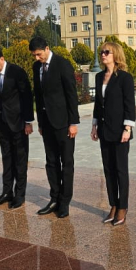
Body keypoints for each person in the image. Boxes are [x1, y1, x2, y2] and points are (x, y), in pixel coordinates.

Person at [30, 36, 79, 219]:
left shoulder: (62, 64)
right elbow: (39, 96)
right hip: (47, 124)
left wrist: (73, 123)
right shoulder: (37, 67)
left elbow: (71, 95)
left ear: (47, 48)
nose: (37, 58)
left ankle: (65, 202)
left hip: (64, 123)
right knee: (51, 162)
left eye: (39, 54)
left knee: (66, 163)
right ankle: (54, 198)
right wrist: (41, 123)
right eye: (34, 55)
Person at [90, 41, 136, 226]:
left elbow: (129, 105)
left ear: (115, 54)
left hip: (120, 132)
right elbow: (97, 104)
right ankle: (113, 205)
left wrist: (127, 128)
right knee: (108, 170)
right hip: (104, 130)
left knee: (120, 170)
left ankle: (123, 207)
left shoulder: (125, 78)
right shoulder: (99, 76)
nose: (103, 55)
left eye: (106, 52)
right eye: (101, 52)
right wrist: (94, 126)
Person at [0, 48, 34, 210]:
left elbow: (27, 96)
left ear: (1, 59)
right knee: (7, 159)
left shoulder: (16, 72)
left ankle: (19, 195)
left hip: (18, 123)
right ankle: (7, 192)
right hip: (2, 124)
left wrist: (28, 121)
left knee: (20, 160)